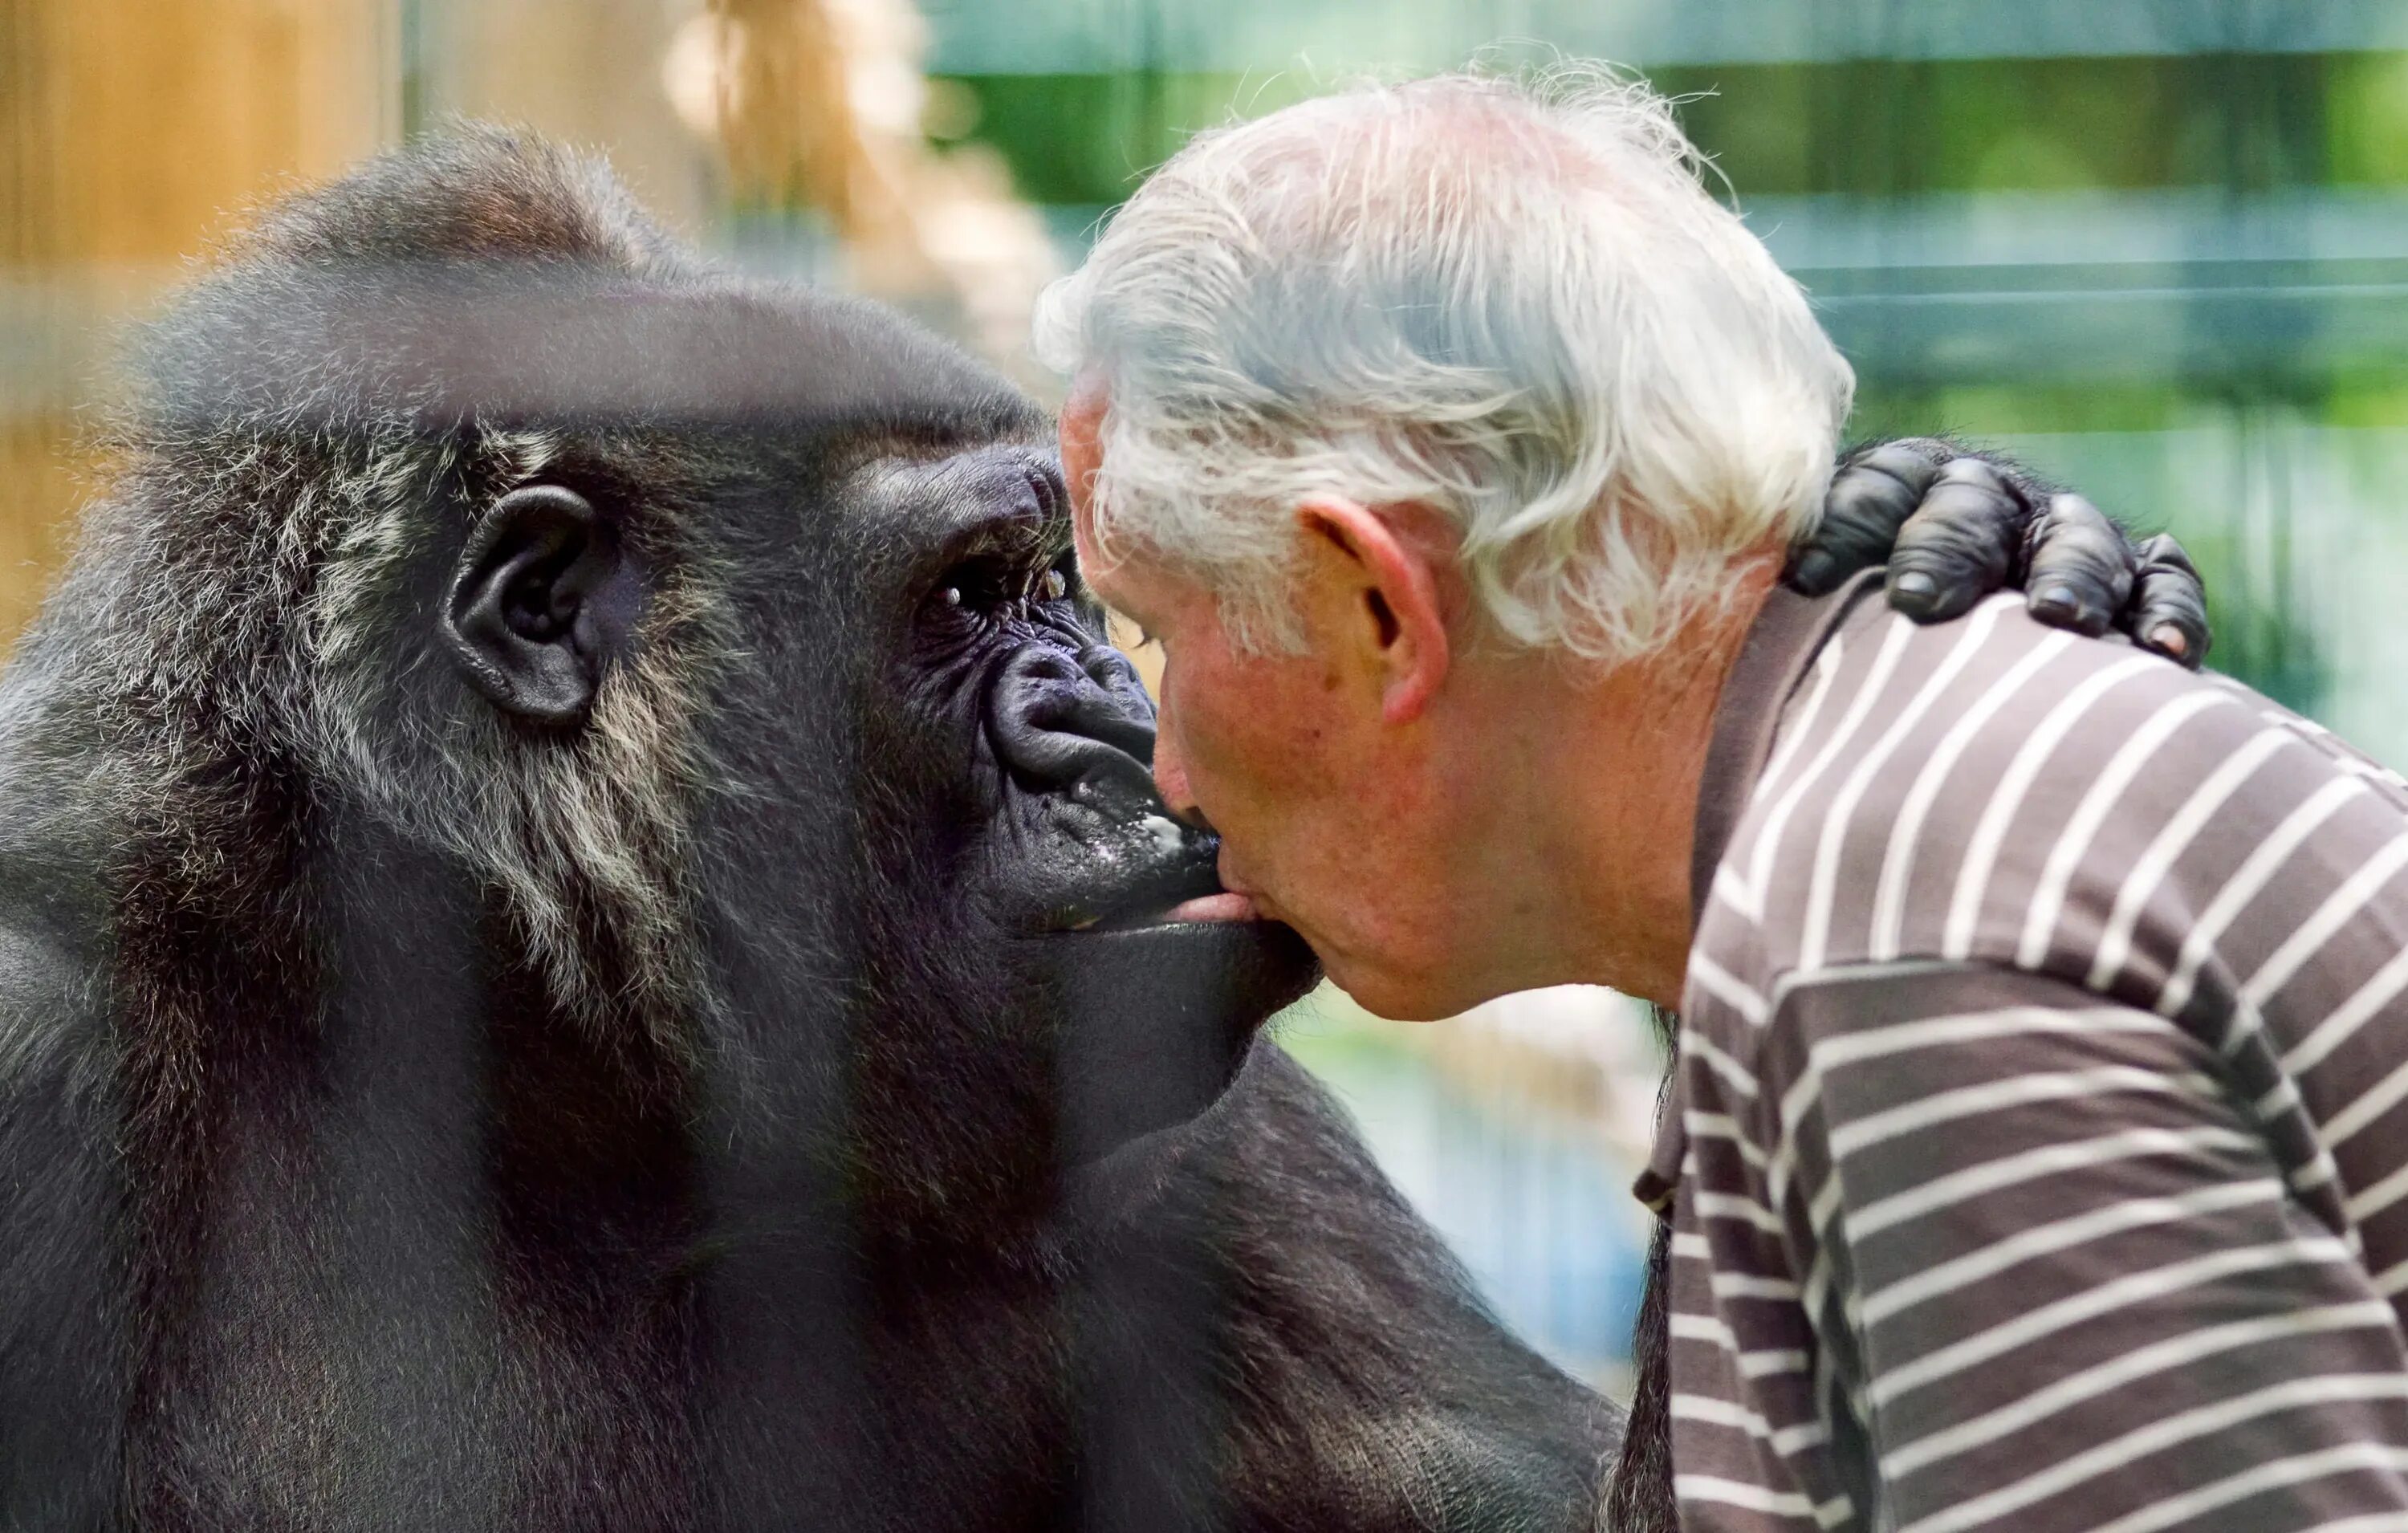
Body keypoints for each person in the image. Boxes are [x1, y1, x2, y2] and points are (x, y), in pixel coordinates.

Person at [1034, 67, 2408, 1531]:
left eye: (1164, 635)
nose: (1164, 767)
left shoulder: (1888, 949)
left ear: (1377, 604)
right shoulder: (1849, 817)